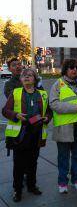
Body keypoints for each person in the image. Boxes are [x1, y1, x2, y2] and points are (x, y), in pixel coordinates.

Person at [2, 68, 52, 202]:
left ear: (35, 79)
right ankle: (17, 190)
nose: (27, 77)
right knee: (18, 164)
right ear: (21, 80)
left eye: (30, 75)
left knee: (32, 162)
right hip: (20, 134)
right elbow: (5, 110)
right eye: (24, 75)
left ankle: (31, 185)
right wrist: (16, 115)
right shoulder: (16, 93)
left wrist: (47, 118)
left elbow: (49, 111)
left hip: (36, 132)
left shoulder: (42, 94)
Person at [50, 59, 77, 193]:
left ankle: (76, 179)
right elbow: (54, 104)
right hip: (64, 127)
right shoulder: (58, 84)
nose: (74, 70)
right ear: (65, 70)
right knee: (63, 157)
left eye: (76, 67)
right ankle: (62, 182)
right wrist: (75, 107)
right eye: (71, 68)